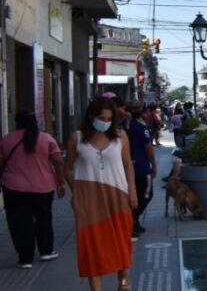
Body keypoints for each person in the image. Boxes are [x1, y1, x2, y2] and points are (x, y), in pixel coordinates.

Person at [63, 97, 138, 291]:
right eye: (101, 118)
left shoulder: (120, 136)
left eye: (108, 119)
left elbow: (128, 164)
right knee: (92, 248)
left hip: (118, 198)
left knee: (120, 245)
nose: (104, 122)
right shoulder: (77, 138)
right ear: (91, 116)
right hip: (89, 203)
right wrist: (77, 191)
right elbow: (68, 169)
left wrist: (132, 191)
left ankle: (123, 284)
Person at [0, 111, 66, 269]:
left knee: (20, 222)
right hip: (43, 187)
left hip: (13, 188)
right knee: (44, 218)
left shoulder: (7, 140)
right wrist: (61, 182)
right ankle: (46, 251)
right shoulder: (46, 139)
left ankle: (25, 258)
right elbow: (58, 161)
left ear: (17, 123)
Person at [126, 101, 157, 241]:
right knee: (146, 194)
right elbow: (148, 147)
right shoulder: (140, 126)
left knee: (134, 196)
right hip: (141, 167)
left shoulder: (123, 126)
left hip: (127, 167)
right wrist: (154, 165)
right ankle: (132, 220)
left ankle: (134, 221)